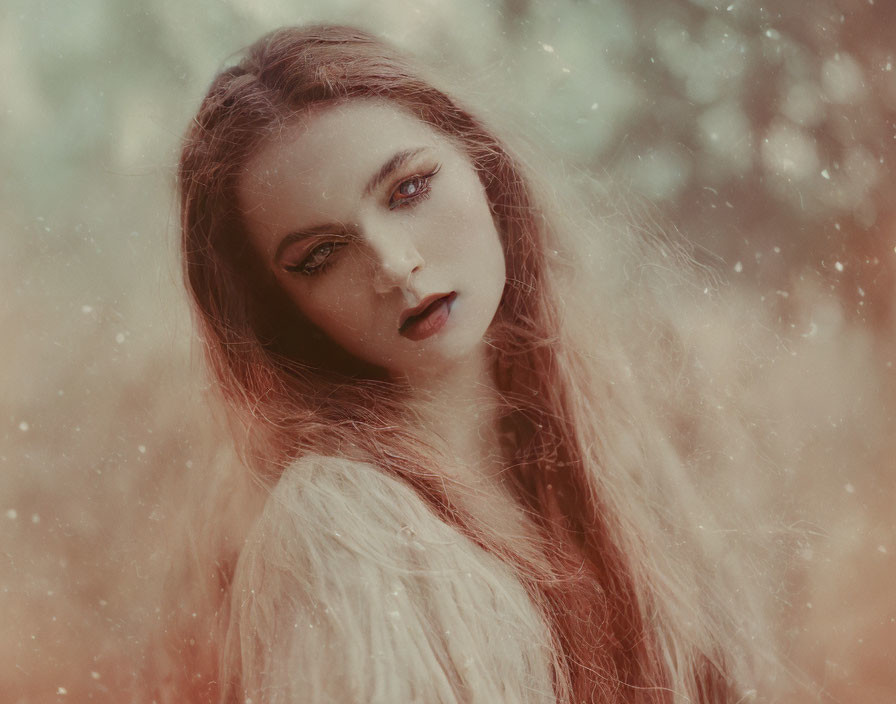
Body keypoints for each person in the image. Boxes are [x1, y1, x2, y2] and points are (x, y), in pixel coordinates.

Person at [174, 24, 776, 703]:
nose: (396, 266)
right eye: (321, 255)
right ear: (284, 313)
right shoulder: (341, 526)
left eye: (407, 191)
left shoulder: (622, 446)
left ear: (483, 167)